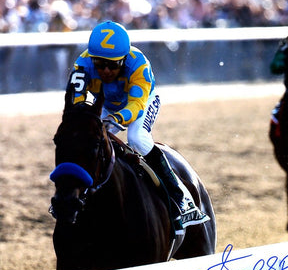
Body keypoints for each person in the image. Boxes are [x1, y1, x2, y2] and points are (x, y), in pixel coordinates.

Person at [66, 20, 208, 233]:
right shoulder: (82, 64)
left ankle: (179, 197)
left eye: (112, 65)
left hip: (140, 102)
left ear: (123, 60)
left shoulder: (139, 64)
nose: (105, 70)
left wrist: (116, 119)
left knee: (137, 138)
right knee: (83, 138)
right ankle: (69, 194)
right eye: (99, 63)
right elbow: (77, 101)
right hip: (107, 104)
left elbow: (136, 105)